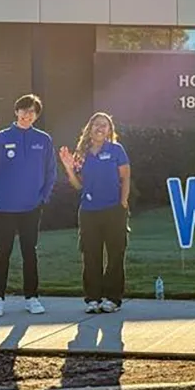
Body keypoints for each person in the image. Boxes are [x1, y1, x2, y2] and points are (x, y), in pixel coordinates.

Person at [0, 94, 57, 317]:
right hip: (4, 207)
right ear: (16, 111)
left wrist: (43, 197)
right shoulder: (0, 137)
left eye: (32, 112)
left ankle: (32, 298)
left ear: (36, 116)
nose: (27, 115)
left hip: (31, 208)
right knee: (3, 253)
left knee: (30, 252)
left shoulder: (44, 140)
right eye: (24, 110)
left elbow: (51, 172)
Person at [59, 112, 131, 314]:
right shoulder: (82, 154)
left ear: (109, 130)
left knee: (116, 255)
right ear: (89, 129)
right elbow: (78, 185)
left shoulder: (116, 150)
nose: (100, 128)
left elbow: (125, 177)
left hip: (114, 210)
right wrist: (68, 168)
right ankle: (93, 298)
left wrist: (123, 202)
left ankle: (113, 299)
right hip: (89, 212)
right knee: (91, 256)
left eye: (105, 125)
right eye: (96, 124)